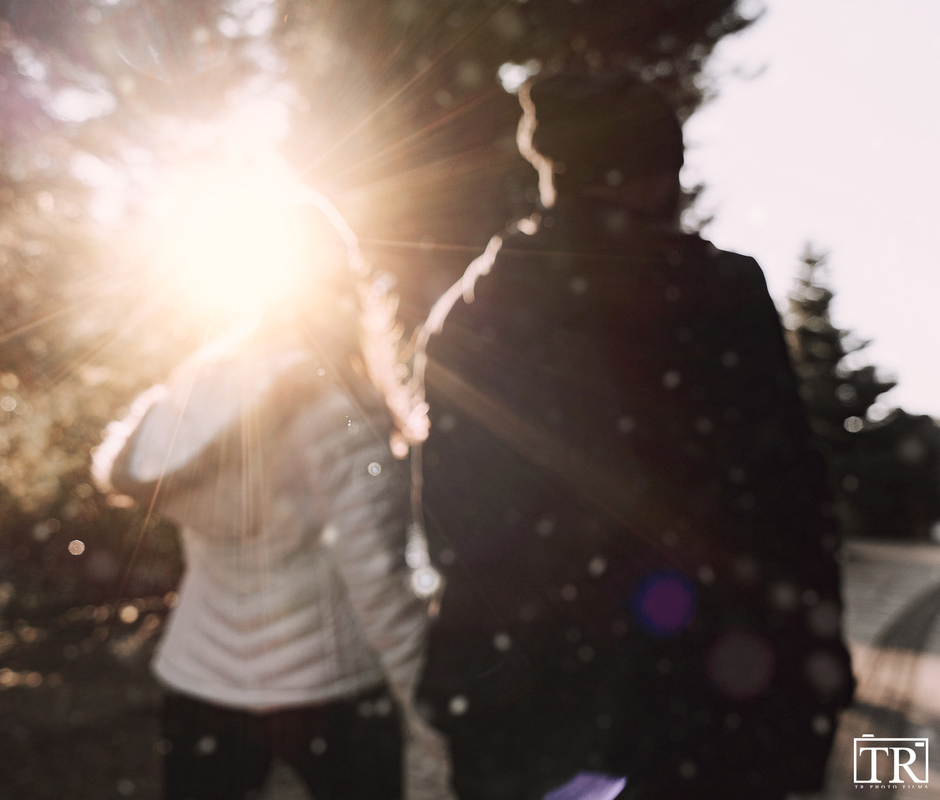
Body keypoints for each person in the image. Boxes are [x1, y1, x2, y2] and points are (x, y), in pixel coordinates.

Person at [413, 72, 854, 800]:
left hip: (533, 719)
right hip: (713, 703)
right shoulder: (721, 296)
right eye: (669, 166)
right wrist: (815, 676)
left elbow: (453, 531)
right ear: (647, 175)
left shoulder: (473, 313)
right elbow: (793, 508)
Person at [91, 200, 450, 800]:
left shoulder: (199, 386)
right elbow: (378, 578)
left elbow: (139, 470)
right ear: (341, 284)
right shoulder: (334, 408)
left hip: (199, 687)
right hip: (328, 692)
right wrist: (423, 704)